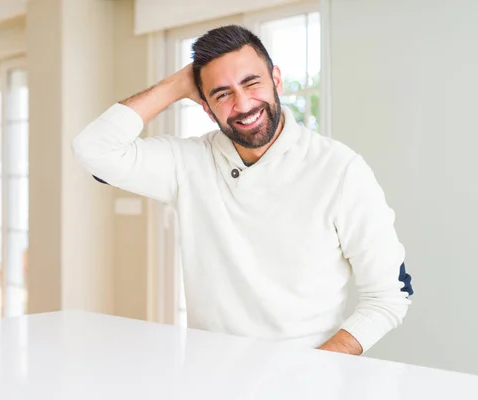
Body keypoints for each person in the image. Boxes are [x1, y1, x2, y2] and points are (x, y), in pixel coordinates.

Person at [73, 25, 413, 355]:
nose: (244, 103)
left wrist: (316, 369)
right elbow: (94, 150)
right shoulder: (189, 162)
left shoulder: (340, 170)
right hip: (208, 379)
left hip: (307, 383)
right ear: (205, 107)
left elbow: (389, 296)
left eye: (252, 83)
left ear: (276, 79)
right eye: (222, 94)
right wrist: (174, 85)